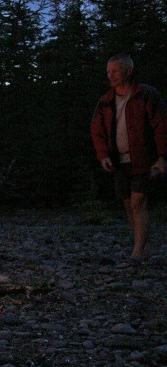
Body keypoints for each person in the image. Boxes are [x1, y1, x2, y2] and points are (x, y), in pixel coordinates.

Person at [91, 53, 167, 264]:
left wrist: (161, 157)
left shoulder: (146, 95)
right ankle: (141, 247)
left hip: (143, 159)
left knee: (138, 202)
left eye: (115, 71)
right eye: (108, 72)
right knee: (127, 204)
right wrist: (103, 155)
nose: (111, 75)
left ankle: (137, 252)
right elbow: (97, 131)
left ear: (128, 71)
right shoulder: (106, 101)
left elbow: (161, 126)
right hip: (118, 161)